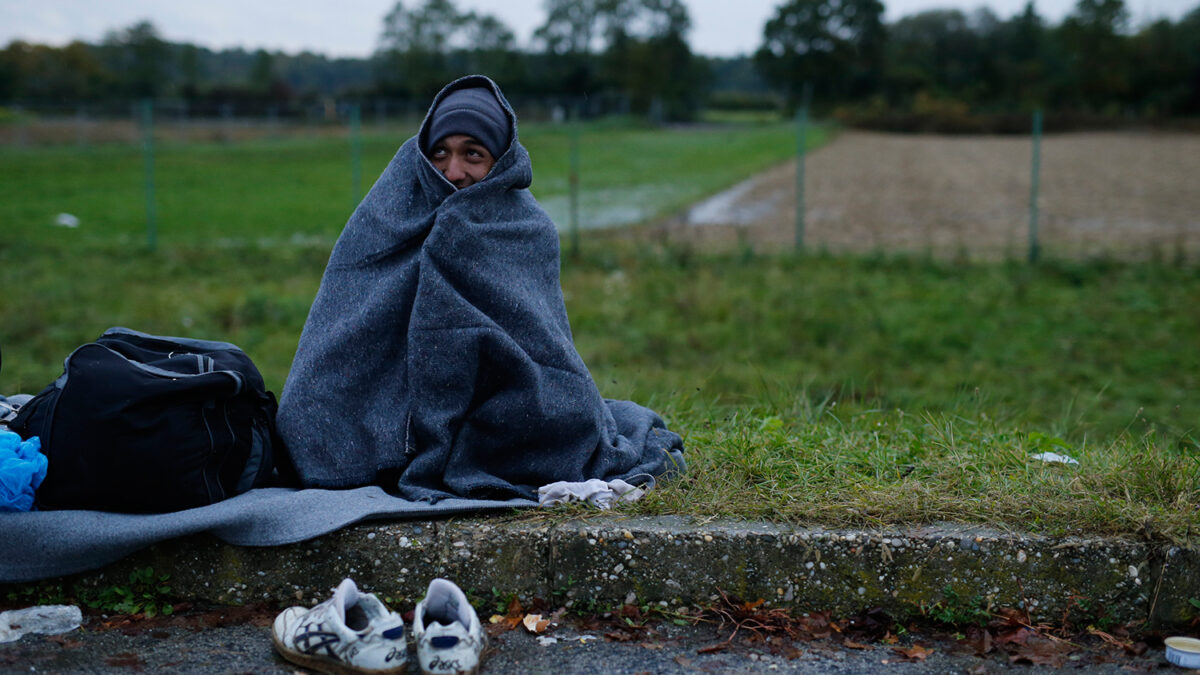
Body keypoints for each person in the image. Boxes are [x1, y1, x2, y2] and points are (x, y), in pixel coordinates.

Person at [275, 75, 684, 502]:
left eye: (473, 154)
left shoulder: (526, 230)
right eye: (440, 153)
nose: (454, 172)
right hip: (387, 407)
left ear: (500, 159)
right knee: (311, 429)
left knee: (564, 424)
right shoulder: (384, 220)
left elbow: (544, 350)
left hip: (497, 399)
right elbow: (340, 334)